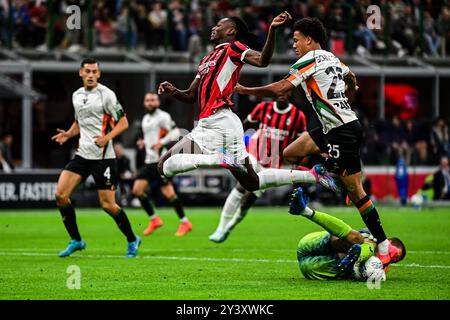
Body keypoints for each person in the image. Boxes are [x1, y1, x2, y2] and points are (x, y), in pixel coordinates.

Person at [235, 17, 395, 267]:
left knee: (357, 193)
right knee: (290, 153)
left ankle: (385, 247)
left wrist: (246, 91)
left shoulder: (308, 59)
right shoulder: (333, 58)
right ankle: (327, 172)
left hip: (342, 130)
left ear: (309, 39)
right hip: (331, 128)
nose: (294, 45)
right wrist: (350, 83)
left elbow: (282, 89)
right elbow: (351, 77)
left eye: (296, 40)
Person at [157, 13, 338, 199]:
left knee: (163, 165)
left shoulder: (233, 48)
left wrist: (272, 30)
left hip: (215, 122)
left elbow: (262, 61)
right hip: (228, 125)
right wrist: (174, 91)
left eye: (219, 24)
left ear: (231, 31)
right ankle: (313, 176)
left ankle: (218, 158)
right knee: (252, 182)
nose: (213, 27)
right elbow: (190, 95)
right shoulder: (205, 60)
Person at [51, 58, 141, 258]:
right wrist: (68, 134)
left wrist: (107, 138)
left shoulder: (106, 95)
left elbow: (123, 122)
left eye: (94, 71)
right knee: (60, 196)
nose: (91, 75)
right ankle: (76, 240)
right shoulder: (77, 95)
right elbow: (79, 122)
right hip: (82, 155)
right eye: (88, 71)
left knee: (108, 205)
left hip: (104, 158)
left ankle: (132, 239)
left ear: (99, 74)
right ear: (80, 73)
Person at [210, 93, 307, 243]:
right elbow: (245, 124)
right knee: (240, 188)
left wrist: (297, 163)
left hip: (273, 164)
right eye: (279, 93)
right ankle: (220, 227)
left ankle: (229, 226)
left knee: (249, 199)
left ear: (290, 95)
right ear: (274, 95)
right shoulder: (264, 108)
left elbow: (302, 142)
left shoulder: (298, 116)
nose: (282, 95)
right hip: (253, 155)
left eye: (286, 92)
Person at [289, 187, 406, 280]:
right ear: (388, 241)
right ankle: (305, 211)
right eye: (395, 253)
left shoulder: (378, 269)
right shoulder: (373, 236)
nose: (392, 258)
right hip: (312, 244)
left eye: (395, 259)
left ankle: (354, 259)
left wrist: (365, 274)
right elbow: (366, 240)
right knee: (362, 238)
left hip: (314, 268)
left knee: (363, 245)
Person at [132, 92, 192, 237]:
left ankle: (185, 222)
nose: (150, 102)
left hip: (160, 161)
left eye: (152, 100)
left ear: (158, 102)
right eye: (147, 100)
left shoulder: (163, 116)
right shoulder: (146, 118)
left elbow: (175, 132)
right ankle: (154, 220)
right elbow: (151, 138)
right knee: (137, 190)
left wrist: (162, 143)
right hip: (149, 161)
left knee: (169, 194)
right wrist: (143, 143)